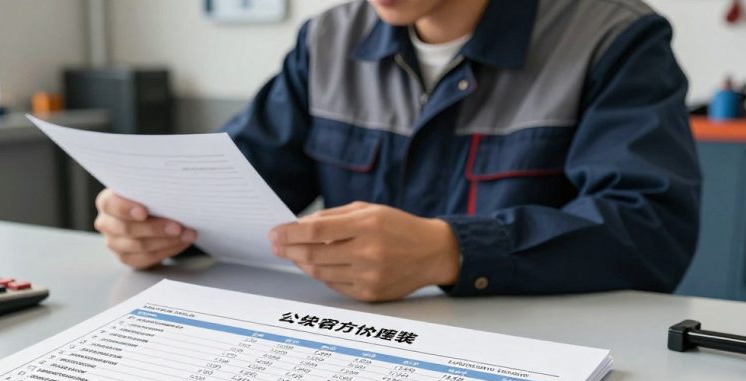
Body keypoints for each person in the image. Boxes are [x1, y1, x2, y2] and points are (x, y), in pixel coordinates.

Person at [94, 0, 701, 302]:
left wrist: (451, 251)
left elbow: (650, 231)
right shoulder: (329, 40)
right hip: (353, 352)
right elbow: (236, 180)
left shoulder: (613, 40)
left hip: (532, 369)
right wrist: (159, 223)